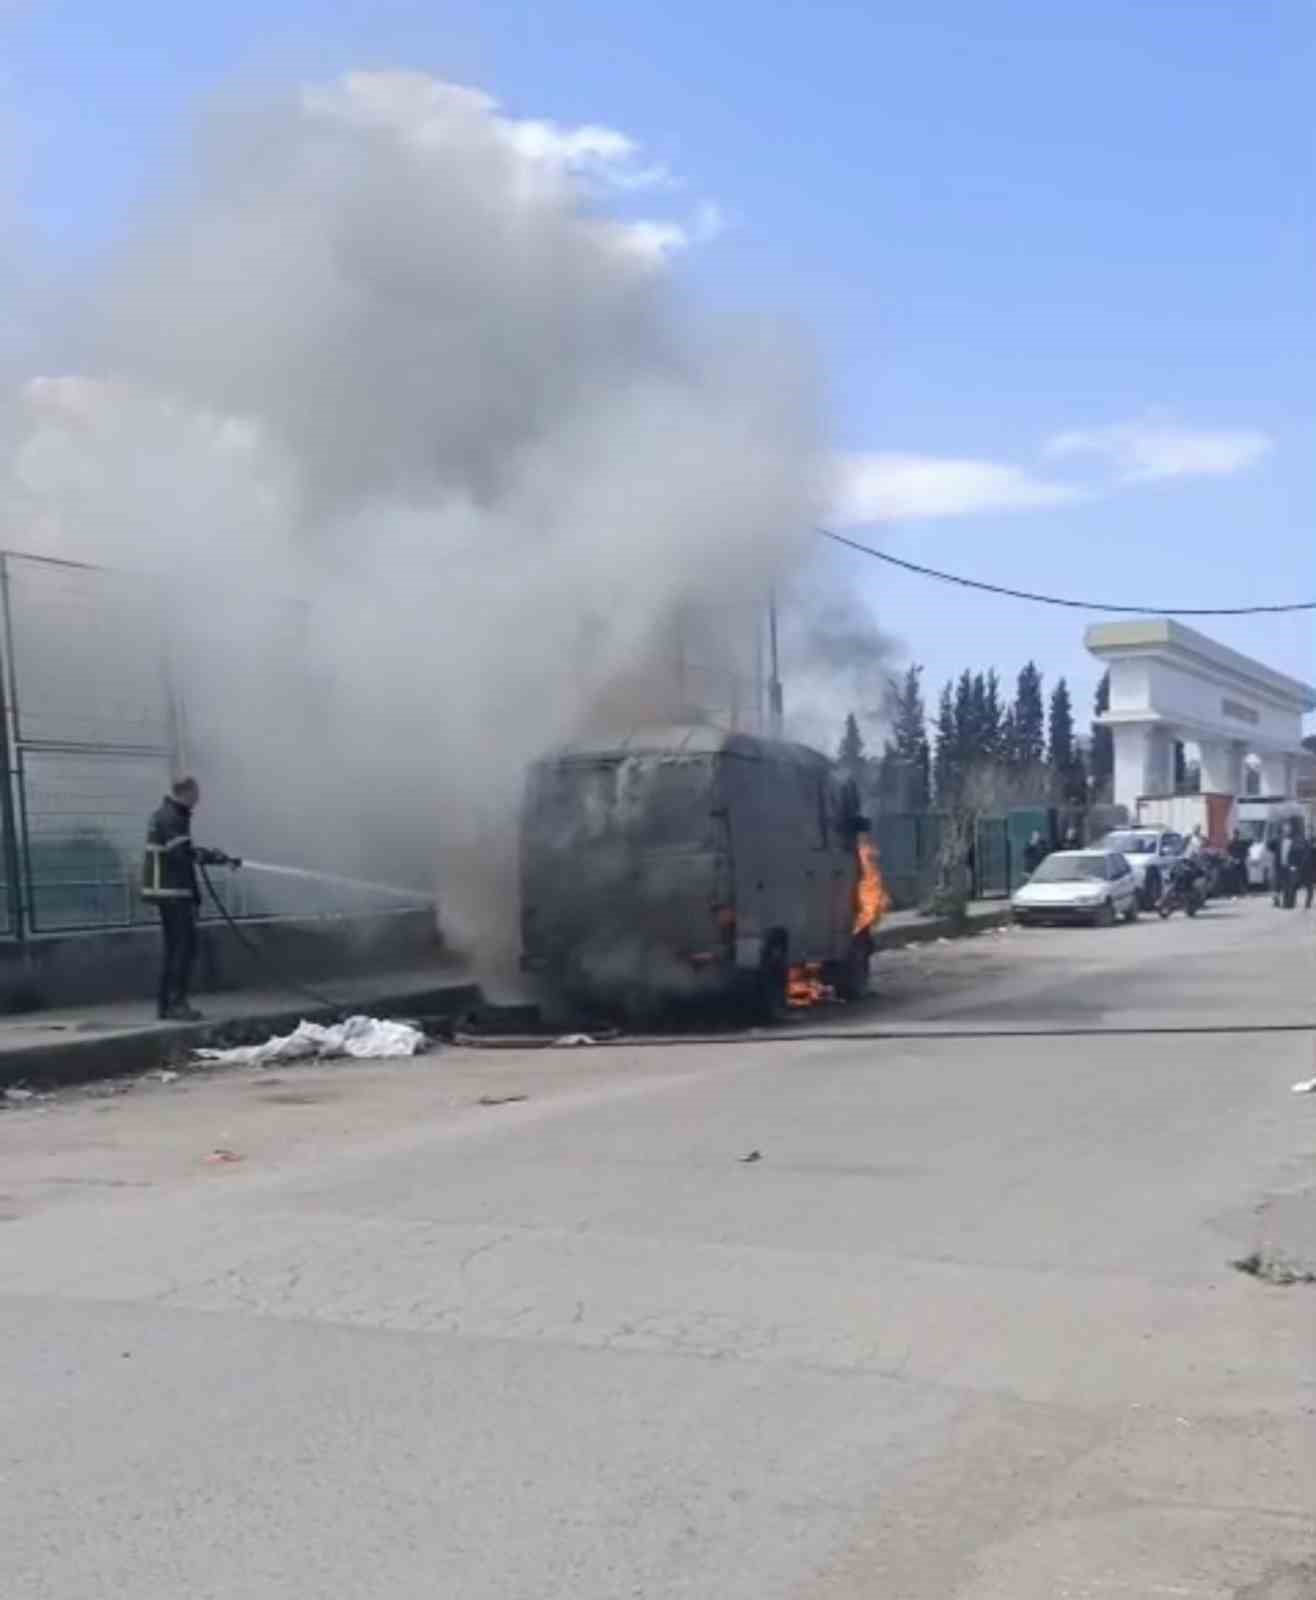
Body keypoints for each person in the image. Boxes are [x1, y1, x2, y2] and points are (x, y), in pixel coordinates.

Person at [142, 777, 239, 1021]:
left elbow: (183, 852)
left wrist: (215, 857)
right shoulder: (172, 817)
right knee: (183, 950)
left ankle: (166, 1006)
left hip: (170, 893)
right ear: (186, 792)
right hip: (173, 893)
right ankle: (176, 1005)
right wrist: (213, 857)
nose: (198, 800)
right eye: (196, 794)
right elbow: (181, 854)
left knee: (175, 950)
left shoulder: (167, 814)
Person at [1226, 829, 1251, 897]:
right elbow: (1228, 853)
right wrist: (1233, 859)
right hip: (1234, 862)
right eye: (1235, 834)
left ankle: (1245, 892)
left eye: (1237, 834)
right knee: (1234, 878)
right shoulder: (1231, 843)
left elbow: (1246, 852)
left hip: (1241, 861)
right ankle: (1234, 893)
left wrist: (1243, 859)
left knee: (1244, 877)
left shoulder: (1242, 842)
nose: (1236, 835)